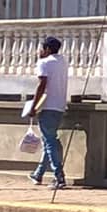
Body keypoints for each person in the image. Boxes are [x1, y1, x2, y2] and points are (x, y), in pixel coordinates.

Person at [25, 36, 70, 189]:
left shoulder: (44, 63)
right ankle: (39, 173)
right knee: (48, 140)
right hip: (59, 106)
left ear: (47, 49)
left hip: (47, 106)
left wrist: (33, 106)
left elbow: (42, 85)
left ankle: (59, 177)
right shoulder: (63, 62)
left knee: (50, 142)